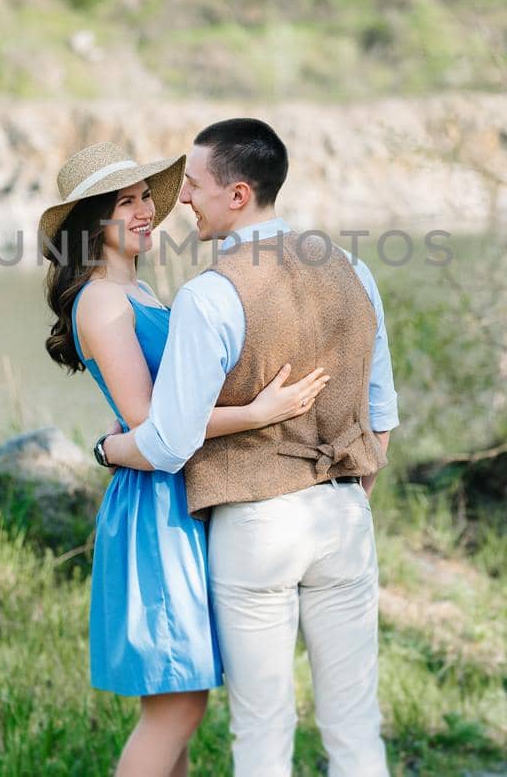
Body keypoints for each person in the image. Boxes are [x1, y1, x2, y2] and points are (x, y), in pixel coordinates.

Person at [98, 119, 400, 777]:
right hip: (343, 515)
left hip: (255, 524)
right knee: (354, 724)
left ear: (237, 195)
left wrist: (109, 449)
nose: (181, 201)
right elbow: (381, 413)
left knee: (262, 732)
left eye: (195, 187)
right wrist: (353, 498)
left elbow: (171, 441)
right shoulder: (355, 270)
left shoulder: (209, 295)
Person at [40, 141, 332, 777]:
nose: (146, 210)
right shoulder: (101, 301)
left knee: (179, 703)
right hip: (156, 507)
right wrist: (257, 413)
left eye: (146, 196)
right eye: (126, 201)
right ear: (93, 224)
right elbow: (151, 425)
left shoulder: (137, 289)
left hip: (183, 494)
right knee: (177, 708)